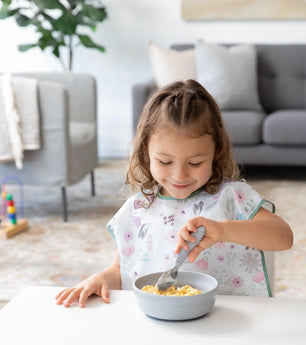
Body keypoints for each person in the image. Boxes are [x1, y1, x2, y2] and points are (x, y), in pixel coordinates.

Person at [55, 79, 293, 308]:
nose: (180, 176)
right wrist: (100, 279)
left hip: (230, 322)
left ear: (215, 152)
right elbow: (121, 270)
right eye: (165, 162)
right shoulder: (137, 209)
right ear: (146, 152)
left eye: (196, 163)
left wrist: (223, 230)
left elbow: (283, 237)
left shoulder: (232, 197)